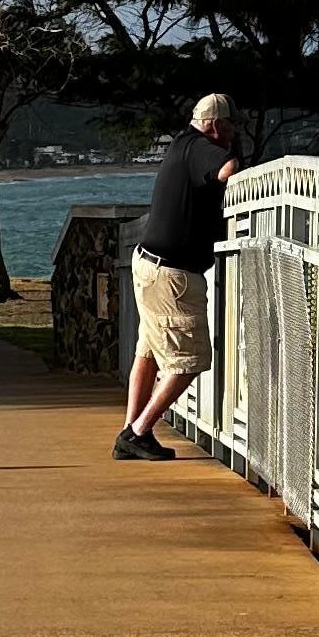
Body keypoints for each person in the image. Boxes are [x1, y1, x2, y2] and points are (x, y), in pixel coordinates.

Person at [118, 92, 241, 458]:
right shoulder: (199, 147)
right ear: (216, 125)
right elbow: (227, 169)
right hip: (172, 276)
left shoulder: (180, 145)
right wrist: (232, 165)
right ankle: (139, 431)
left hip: (150, 265)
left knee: (150, 352)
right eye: (231, 127)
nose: (234, 134)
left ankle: (130, 431)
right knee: (191, 359)